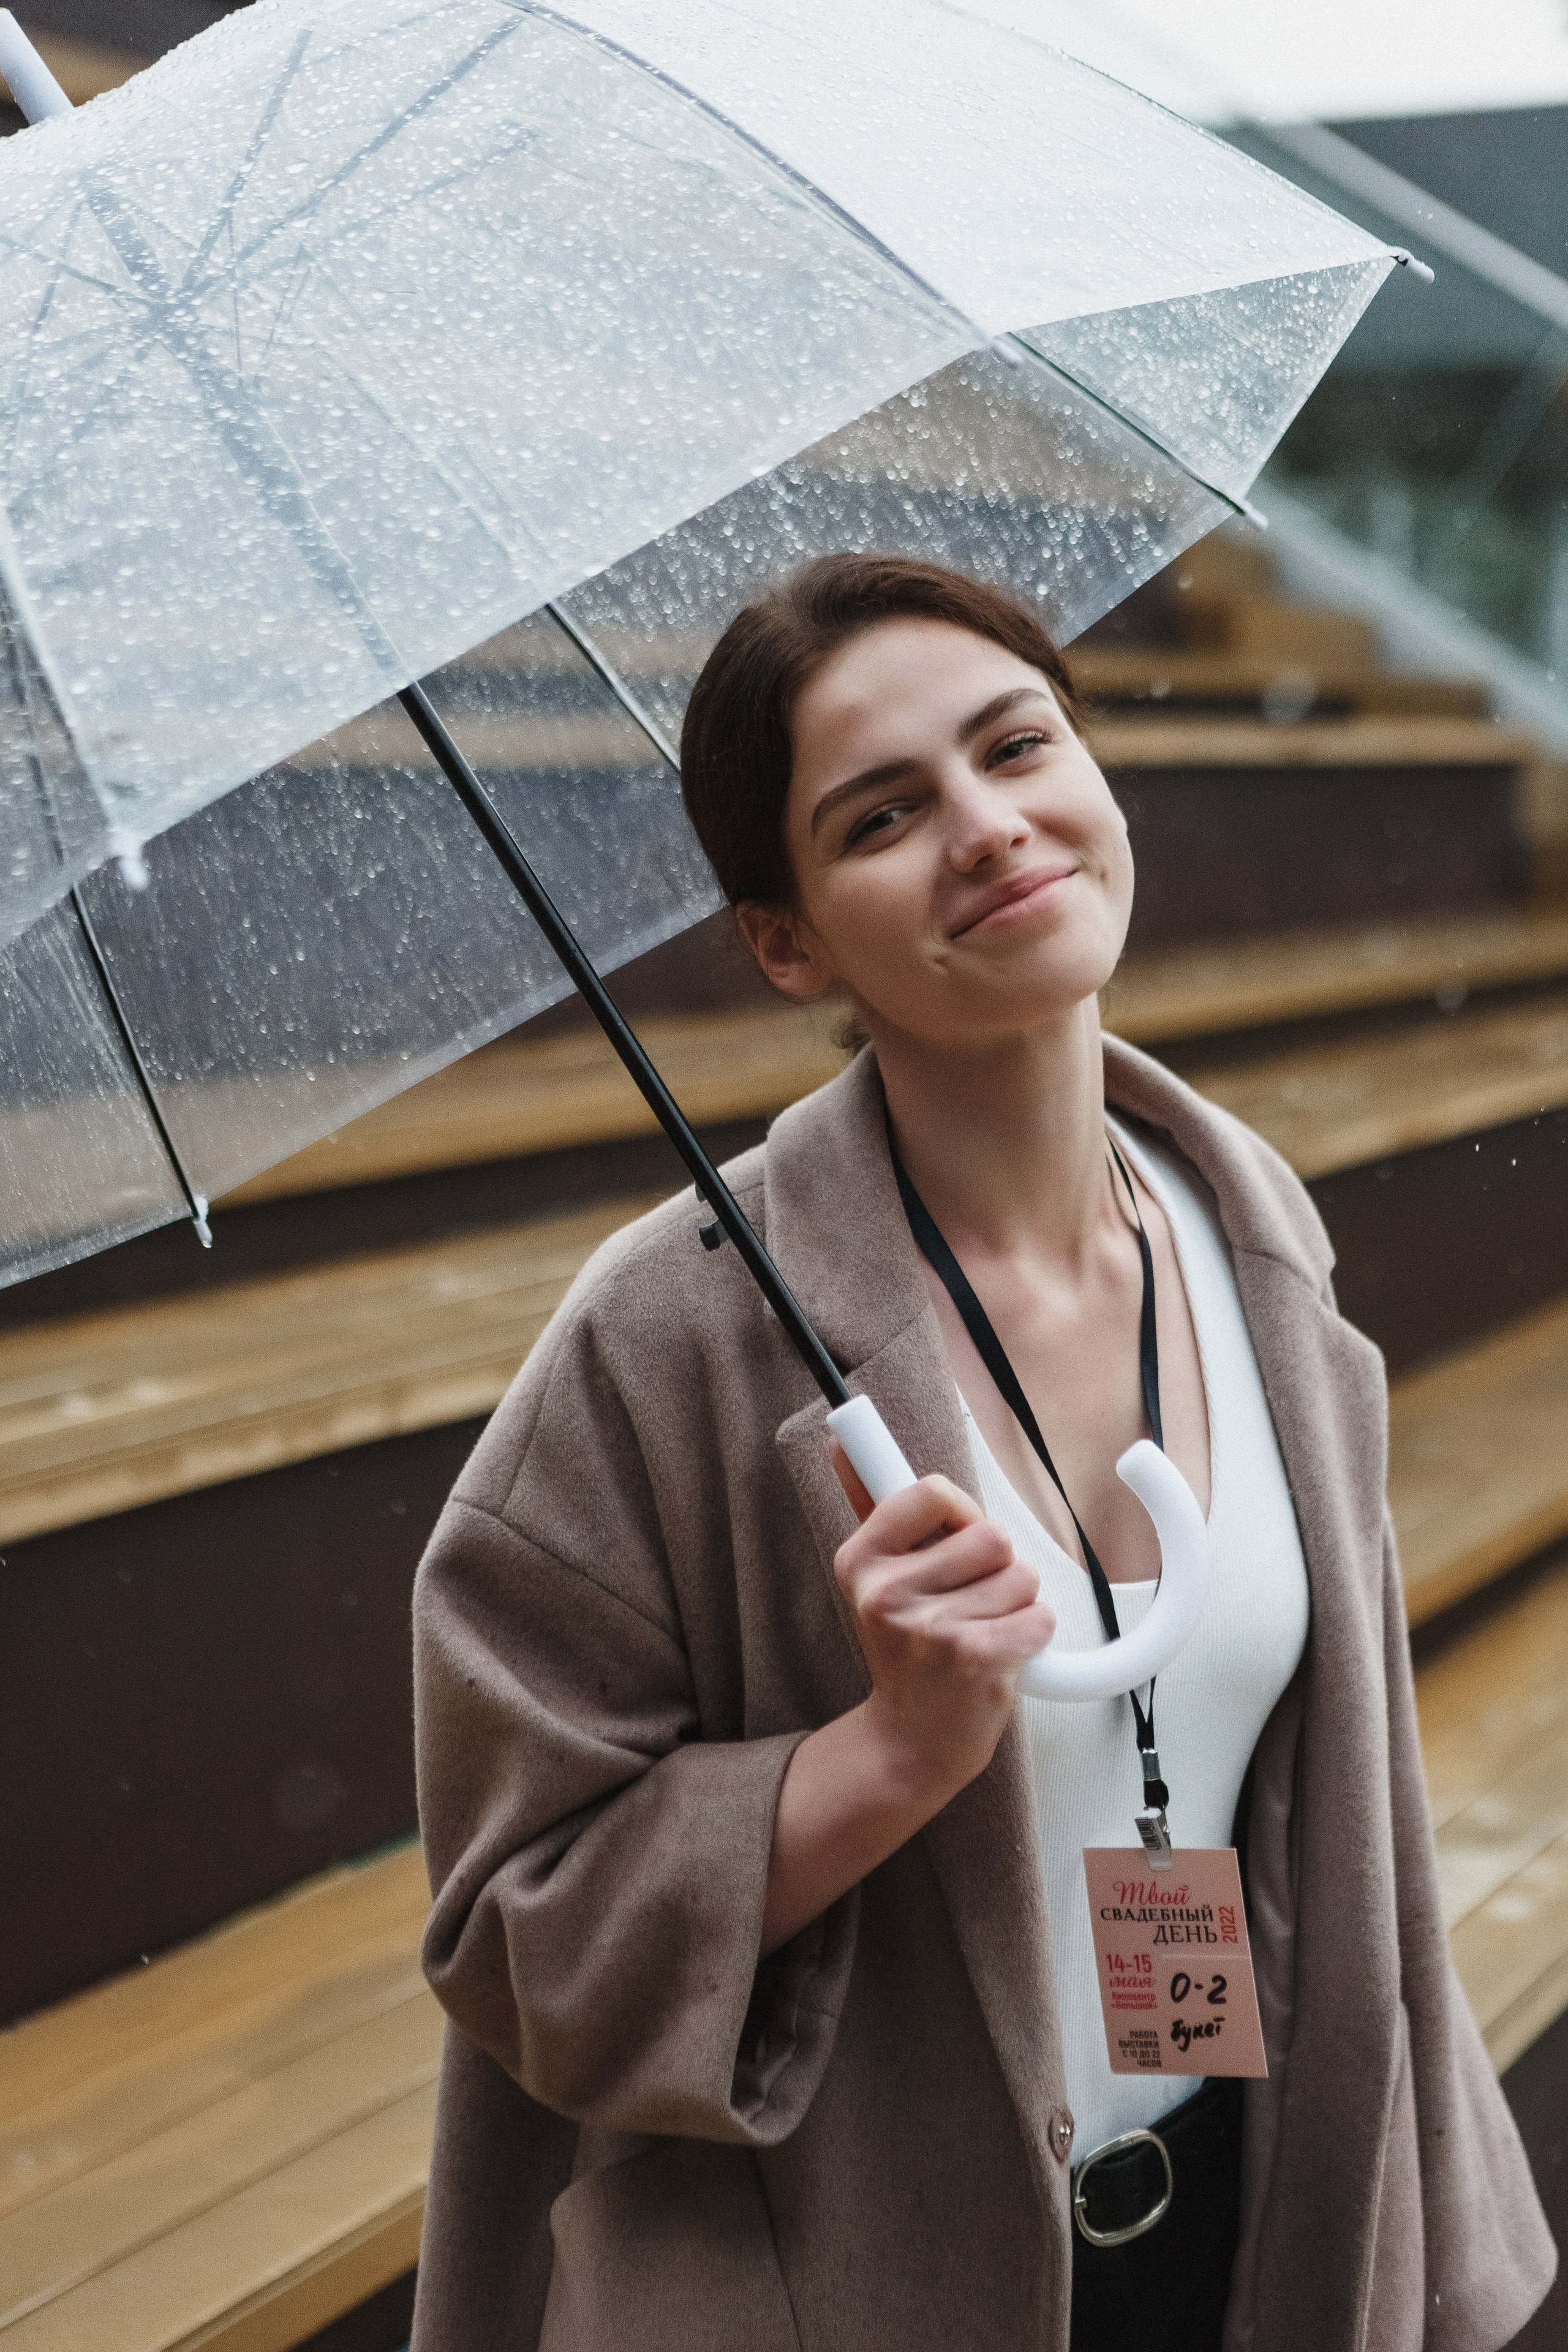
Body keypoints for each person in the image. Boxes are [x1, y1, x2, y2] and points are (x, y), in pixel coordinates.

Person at [409, 555, 1554, 2351]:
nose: (988, 827)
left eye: (1017, 747)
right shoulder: (668, 1343)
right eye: (882, 814)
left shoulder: (1250, 1235)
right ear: (790, 941)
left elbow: (1339, 1814)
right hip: (859, 2276)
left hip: (1231, 2230)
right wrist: (883, 1757)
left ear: (1097, 776)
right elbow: (515, 1941)